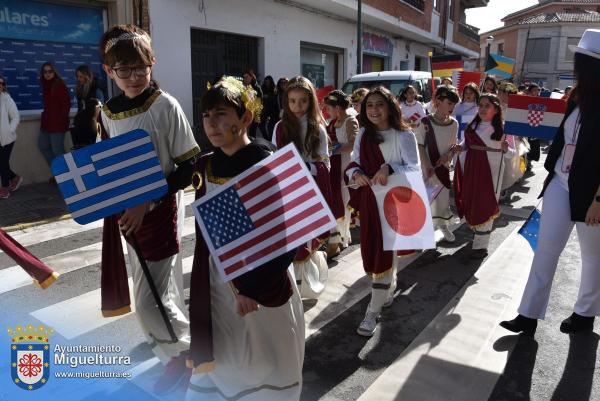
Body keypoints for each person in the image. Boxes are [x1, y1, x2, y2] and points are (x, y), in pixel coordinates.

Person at [186, 76, 304, 401]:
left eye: (222, 113)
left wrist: (249, 288)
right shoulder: (207, 164)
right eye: (207, 116)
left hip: (261, 280)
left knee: (266, 359)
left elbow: (286, 237)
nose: (212, 123)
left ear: (246, 118)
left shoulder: (266, 164)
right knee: (224, 355)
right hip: (218, 281)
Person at [98, 24, 200, 394]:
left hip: (161, 211)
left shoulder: (164, 105)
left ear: (152, 63)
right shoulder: (107, 112)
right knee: (158, 295)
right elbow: (105, 163)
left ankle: (188, 355)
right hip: (129, 216)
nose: (134, 76)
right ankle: (178, 358)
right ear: (109, 71)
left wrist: (150, 200)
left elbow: (188, 166)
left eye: (140, 67)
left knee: (147, 302)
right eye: (123, 69)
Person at [500, 29, 600, 336]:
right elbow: (561, 137)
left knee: (593, 256)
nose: (575, 68)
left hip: (592, 192)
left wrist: (599, 201)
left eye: (580, 62)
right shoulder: (576, 96)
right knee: (545, 249)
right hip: (560, 180)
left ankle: (585, 315)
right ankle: (528, 316)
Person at [345, 86, 421, 336]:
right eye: (369, 105)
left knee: (383, 257)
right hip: (370, 202)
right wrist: (355, 173)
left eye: (380, 104)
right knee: (380, 253)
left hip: (394, 202)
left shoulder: (404, 135)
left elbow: (413, 170)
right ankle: (388, 288)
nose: (374, 110)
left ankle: (372, 312)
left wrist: (389, 167)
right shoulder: (364, 133)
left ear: (390, 107)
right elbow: (353, 162)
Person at [272, 76, 330, 300]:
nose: (297, 106)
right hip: (285, 192)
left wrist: (304, 167)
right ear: (286, 101)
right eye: (293, 101)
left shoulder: (318, 129)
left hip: (307, 193)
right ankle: (291, 287)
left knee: (303, 244)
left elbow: (324, 163)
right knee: (287, 243)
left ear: (311, 101)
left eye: (303, 101)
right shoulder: (279, 127)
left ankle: (302, 287)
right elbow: (275, 158)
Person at [453, 94, 514, 258]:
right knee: (474, 200)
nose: (482, 109)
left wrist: (506, 148)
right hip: (472, 167)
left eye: (487, 106)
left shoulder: (504, 128)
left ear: (496, 109)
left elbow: (511, 154)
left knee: (486, 203)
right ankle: (477, 233)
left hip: (492, 170)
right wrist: (460, 147)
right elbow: (467, 144)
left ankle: (481, 246)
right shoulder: (473, 125)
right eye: (481, 105)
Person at [415, 85, 460, 243]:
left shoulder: (454, 124)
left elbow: (453, 147)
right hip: (427, 168)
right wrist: (427, 166)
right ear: (438, 101)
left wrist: (448, 155)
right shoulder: (425, 122)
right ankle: (423, 232)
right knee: (426, 200)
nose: (452, 107)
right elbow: (419, 144)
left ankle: (443, 225)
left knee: (442, 198)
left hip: (443, 167)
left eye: (454, 104)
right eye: (449, 103)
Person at [324, 90, 359, 257]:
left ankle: (340, 239)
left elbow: (354, 144)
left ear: (337, 108)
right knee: (336, 200)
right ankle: (340, 237)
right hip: (334, 167)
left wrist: (335, 148)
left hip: (346, 167)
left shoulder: (350, 121)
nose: (327, 111)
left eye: (329, 108)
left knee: (344, 202)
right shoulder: (332, 122)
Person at [38, 62, 70, 173]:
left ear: (54, 72)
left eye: (50, 71)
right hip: (47, 123)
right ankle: (59, 173)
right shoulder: (45, 85)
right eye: (45, 72)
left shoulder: (59, 85)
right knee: (43, 145)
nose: (47, 74)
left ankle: (68, 177)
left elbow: (66, 105)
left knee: (58, 150)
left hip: (57, 124)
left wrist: (61, 120)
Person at [0, 74, 21, 199]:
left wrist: (10, 130)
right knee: (2, 163)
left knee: (2, 163)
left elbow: (15, 117)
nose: (0, 85)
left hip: (7, 138)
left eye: (2, 83)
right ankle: (15, 177)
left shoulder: (6, 99)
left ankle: (5, 188)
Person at [242, 69, 264, 138]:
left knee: (252, 134)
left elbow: (259, 103)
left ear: (251, 77)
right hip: (245, 114)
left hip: (254, 115)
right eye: (244, 77)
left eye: (246, 77)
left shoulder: (256, 88)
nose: (245, 79)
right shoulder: (243, 87)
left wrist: (256, 116)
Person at [261, 75, 278, 141]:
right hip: (264, 110)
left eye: (268, 82)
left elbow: (275, 99)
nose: (267, 83)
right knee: (262, 127)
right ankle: (267, 139)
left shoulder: (274, 89)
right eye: (266, 82)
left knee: (270, 127)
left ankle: (270, 140)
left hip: (272, 111)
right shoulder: (263, 88)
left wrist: (268, 97)